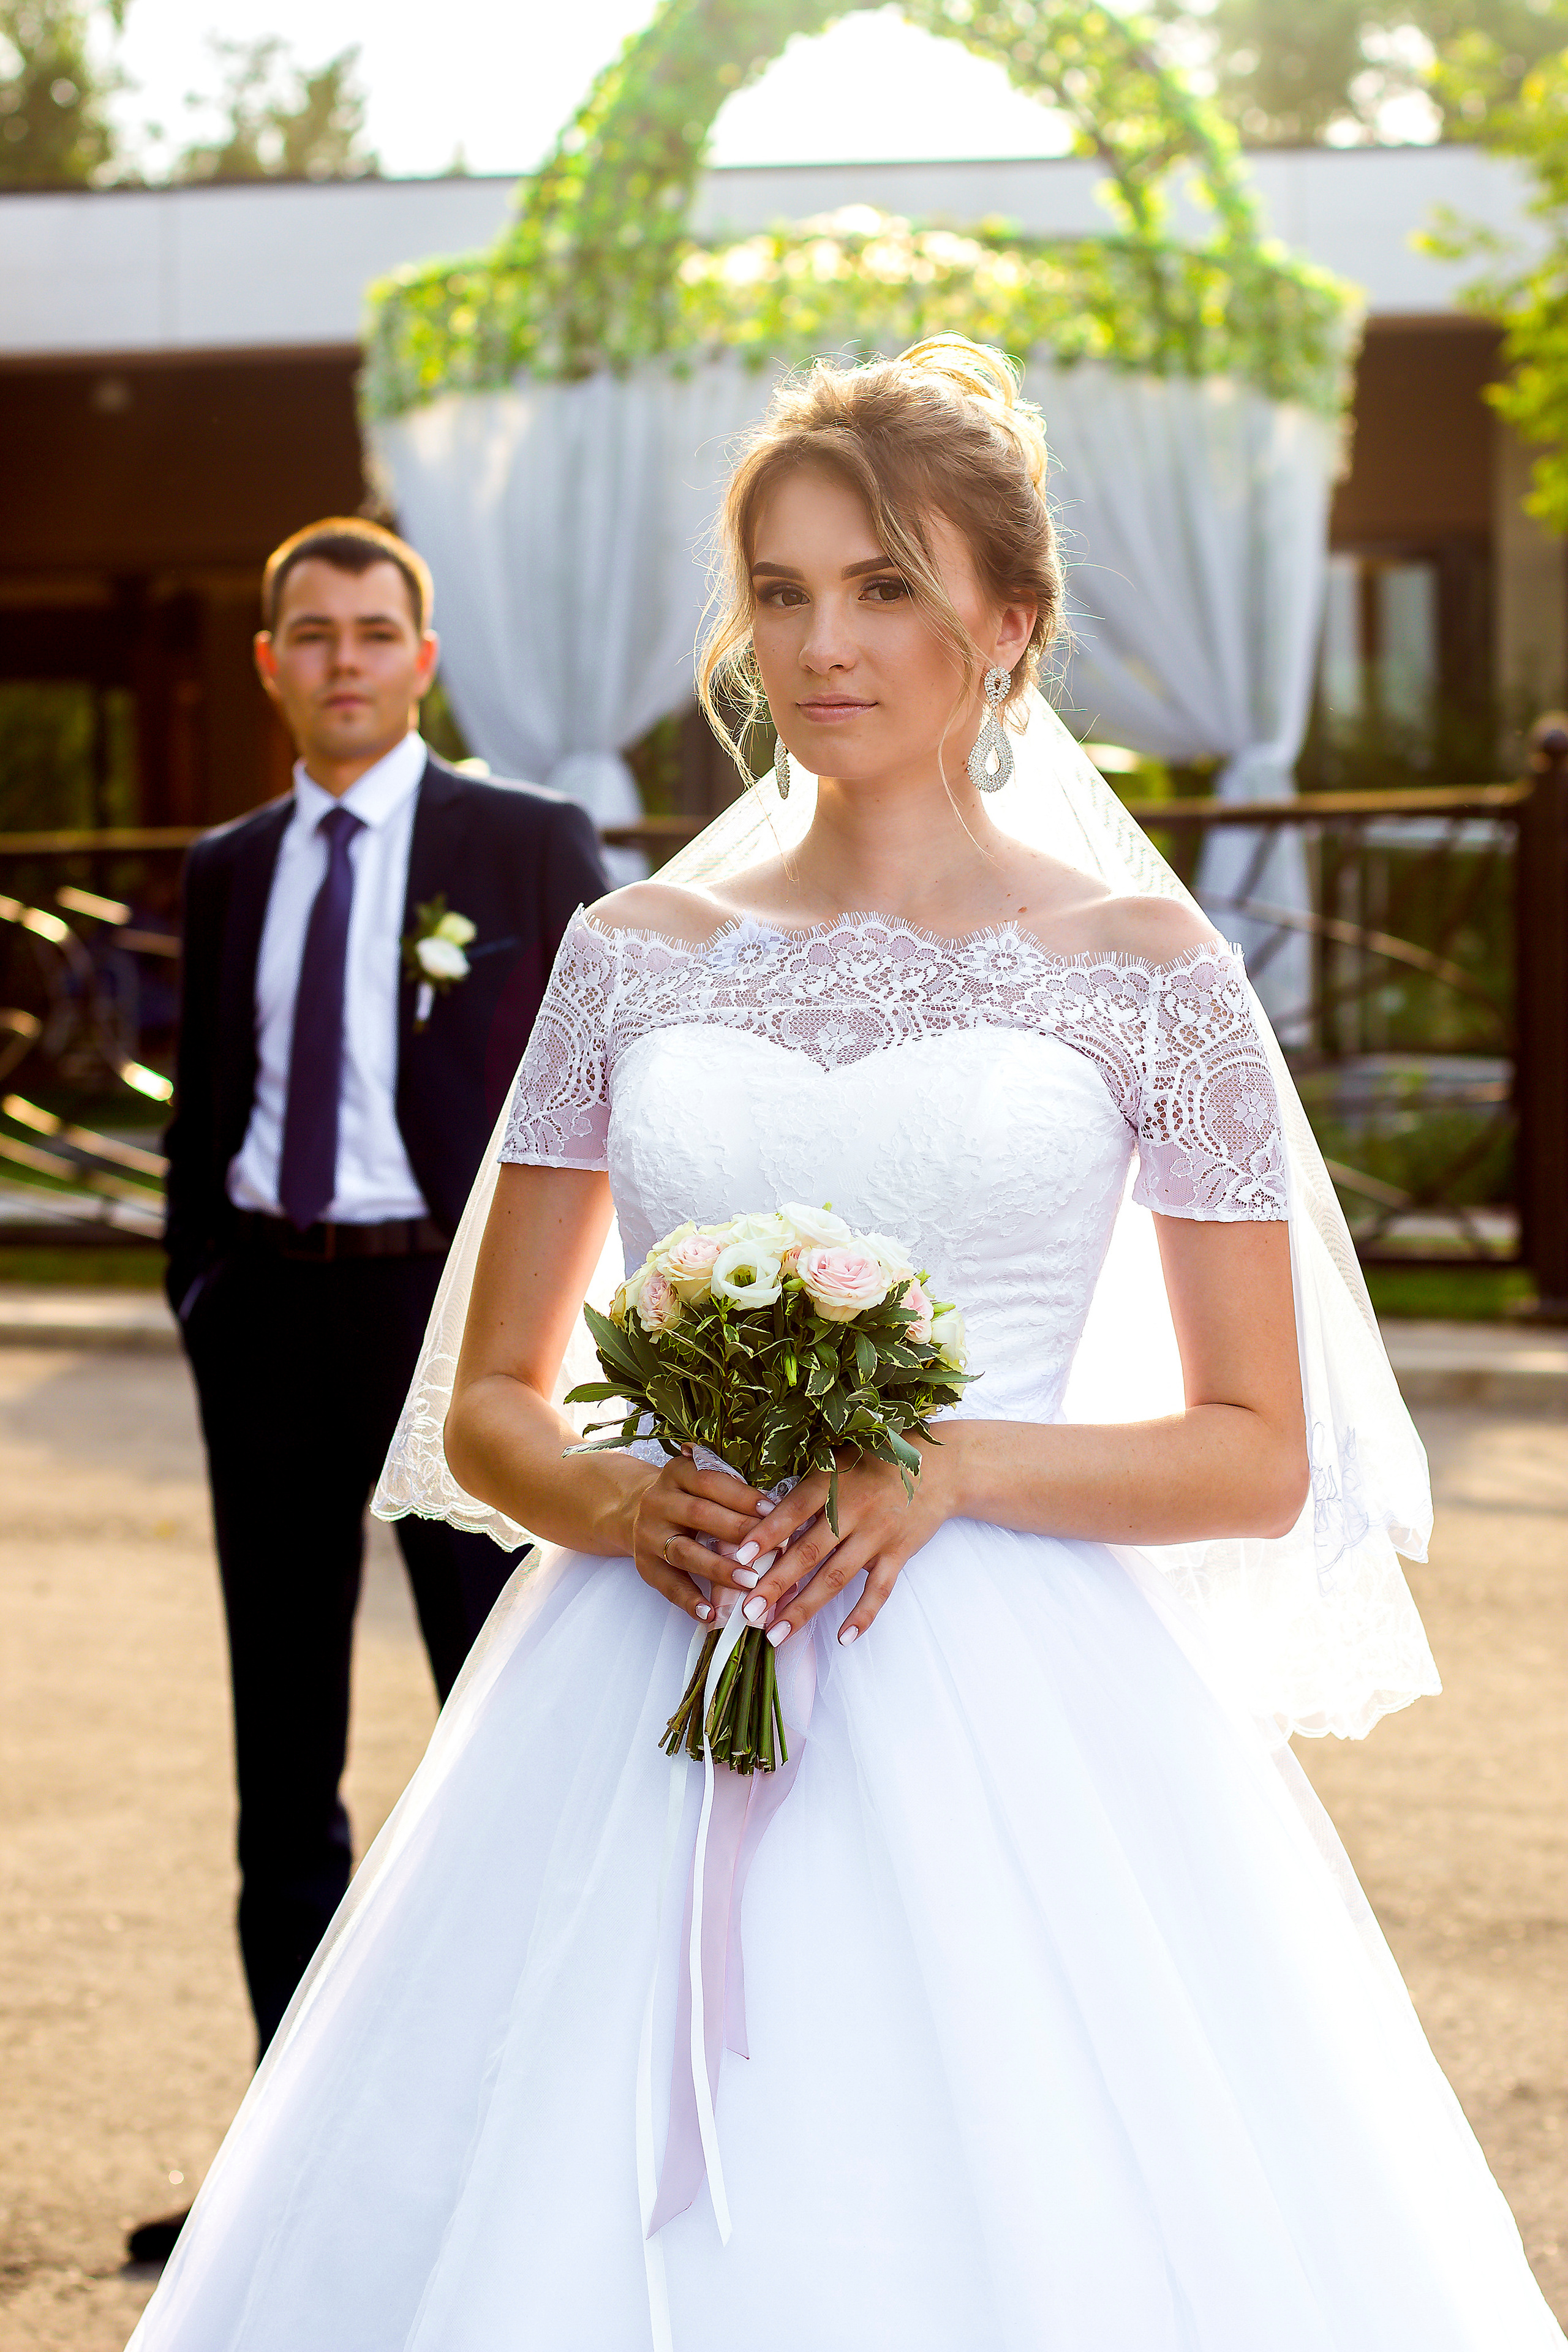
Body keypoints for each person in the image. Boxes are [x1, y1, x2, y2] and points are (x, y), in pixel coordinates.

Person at [128, 350, 1564, 2347]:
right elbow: (488, 1406)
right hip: (640, 1664)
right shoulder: (631, 961)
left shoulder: (1150, 980)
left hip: (1016, 1693)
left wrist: (953, 1464)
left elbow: (1258, 1449)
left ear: (1011, 622)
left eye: (887, 586)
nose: (824, 643)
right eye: (783, 591)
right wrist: (620, 1499)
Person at [134, 517, 608, 2264]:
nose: (345, 658)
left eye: (375, 630)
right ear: (273, 665)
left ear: (424, 659)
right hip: (268, 1318)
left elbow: (608, 1090)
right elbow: (210, 1106)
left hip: (457, 1330)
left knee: (506, 1731)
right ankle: (288, 2183)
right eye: (313, 634)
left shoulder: (526, 842)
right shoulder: (227, 867)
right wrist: (204, 1290)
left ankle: (515, 2166)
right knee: (284, 1764)